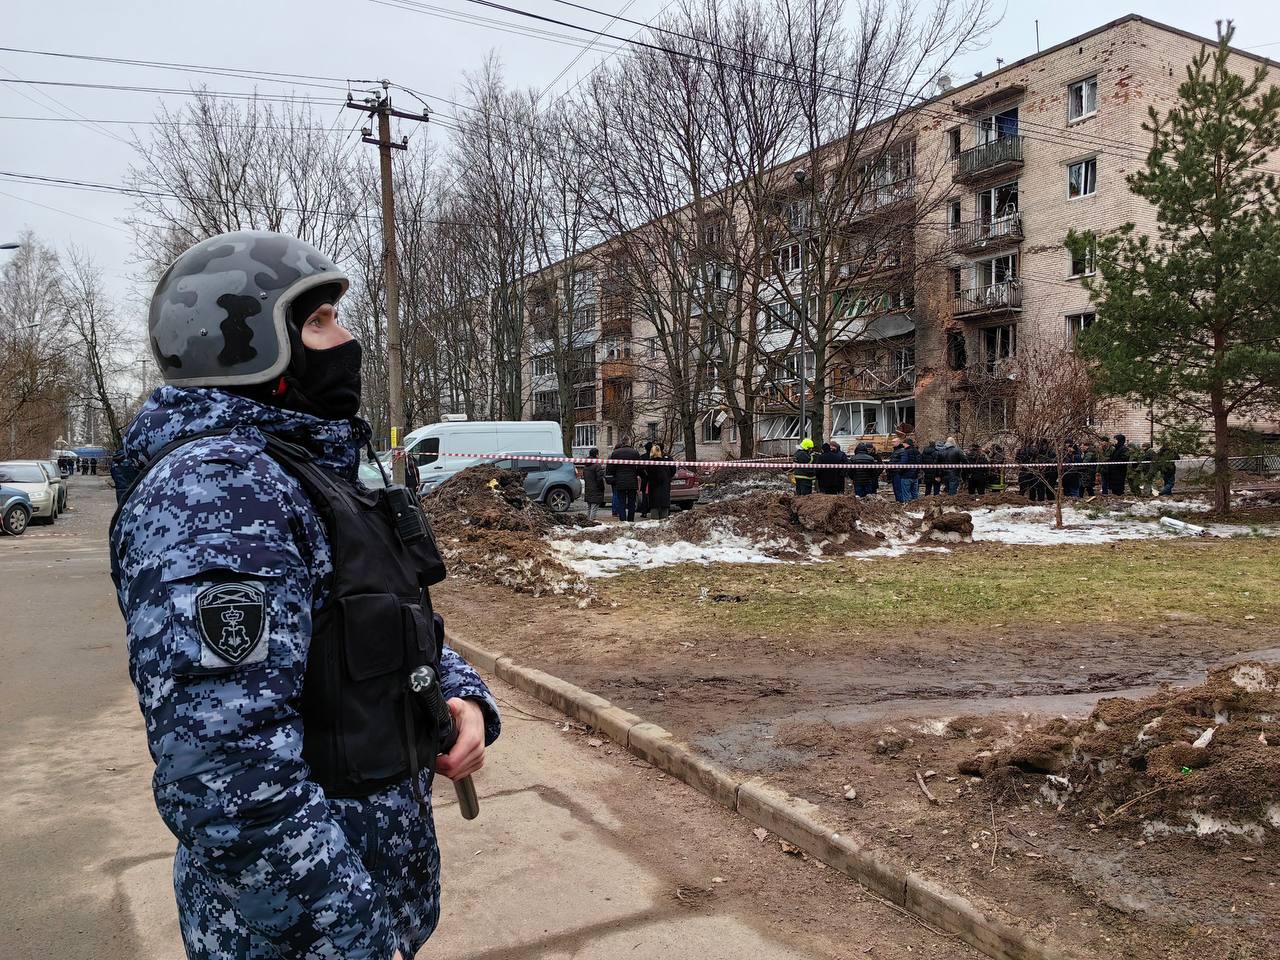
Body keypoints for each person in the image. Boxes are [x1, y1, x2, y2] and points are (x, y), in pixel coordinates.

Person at [108, 230, 500, 960]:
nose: (346, 339)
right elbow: (227, 774)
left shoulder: (313, 470)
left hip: (377, 907)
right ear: (241, 344)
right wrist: (349, 939)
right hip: (306, 937)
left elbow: (390, 617)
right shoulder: (220, 491)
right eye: (319, 321)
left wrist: (464, 695)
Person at [606, 436, 643, 521]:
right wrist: (637, 474)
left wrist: (614, 477)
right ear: (629, 442)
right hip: (632, 481)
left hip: (620, 481)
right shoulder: (635, 452)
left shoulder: (615, 453)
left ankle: (622, 520)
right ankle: (631, 520)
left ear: (622, 442)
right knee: (631, 502)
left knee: (621, 502)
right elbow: (640, 467)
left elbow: (611, 468)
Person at [642, 443, 676, 519]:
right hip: (665, 485)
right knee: (664, 506)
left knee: (654, 506)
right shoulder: (667, 459)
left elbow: (645, 472)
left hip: (653, 486)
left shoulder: (650, 461)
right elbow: (673, 470)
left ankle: (655, 523)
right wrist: (668, 477)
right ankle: (663, 522)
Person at [582, 447, 607, 521]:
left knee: (589, 507)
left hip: (588, 489)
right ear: (596, 455)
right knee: (594, 508)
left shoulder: (586, 466)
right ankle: (591, 522)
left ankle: (588, 521)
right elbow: (599, 479)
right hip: (596, 489)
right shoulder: (597, 465)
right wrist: (602, 488)